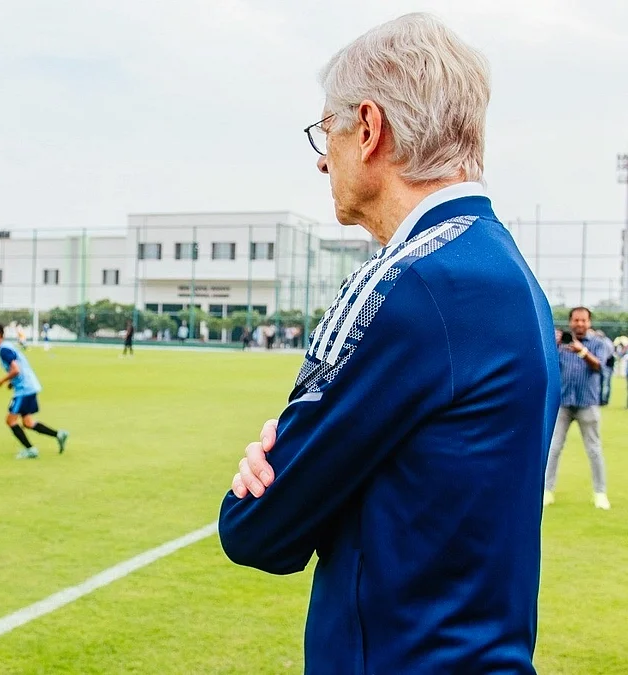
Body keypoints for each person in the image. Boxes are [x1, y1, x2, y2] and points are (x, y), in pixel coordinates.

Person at [218, 14, 559, 674]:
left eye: (329, 131)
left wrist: (263, 483)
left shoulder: (408, 283)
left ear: (368, 129)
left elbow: (261, 529)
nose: (323, 158)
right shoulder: (515, 278)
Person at [544, 307, 613, 510]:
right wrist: (552, 346)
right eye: (576, 320)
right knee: (554, 448)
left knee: (594, 450)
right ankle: (547, 490)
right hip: (563, 403)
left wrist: (581, 351)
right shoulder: (559, 344)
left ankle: (600, 493)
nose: (580, 324)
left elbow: (600, 367)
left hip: (587, 403)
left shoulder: (598, 344)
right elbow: (548, 366)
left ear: (589, 323)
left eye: (583, 321)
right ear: (570, 322)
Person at [0, 322, 68, 459]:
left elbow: (16, 369)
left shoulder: (3, 350)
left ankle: (31, 450)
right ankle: (59, 434)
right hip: (29, 386)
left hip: (24, 390)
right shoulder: (8, 347)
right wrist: (12, 383)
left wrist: (2, 380)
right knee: (28, 422)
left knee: (10, 421)